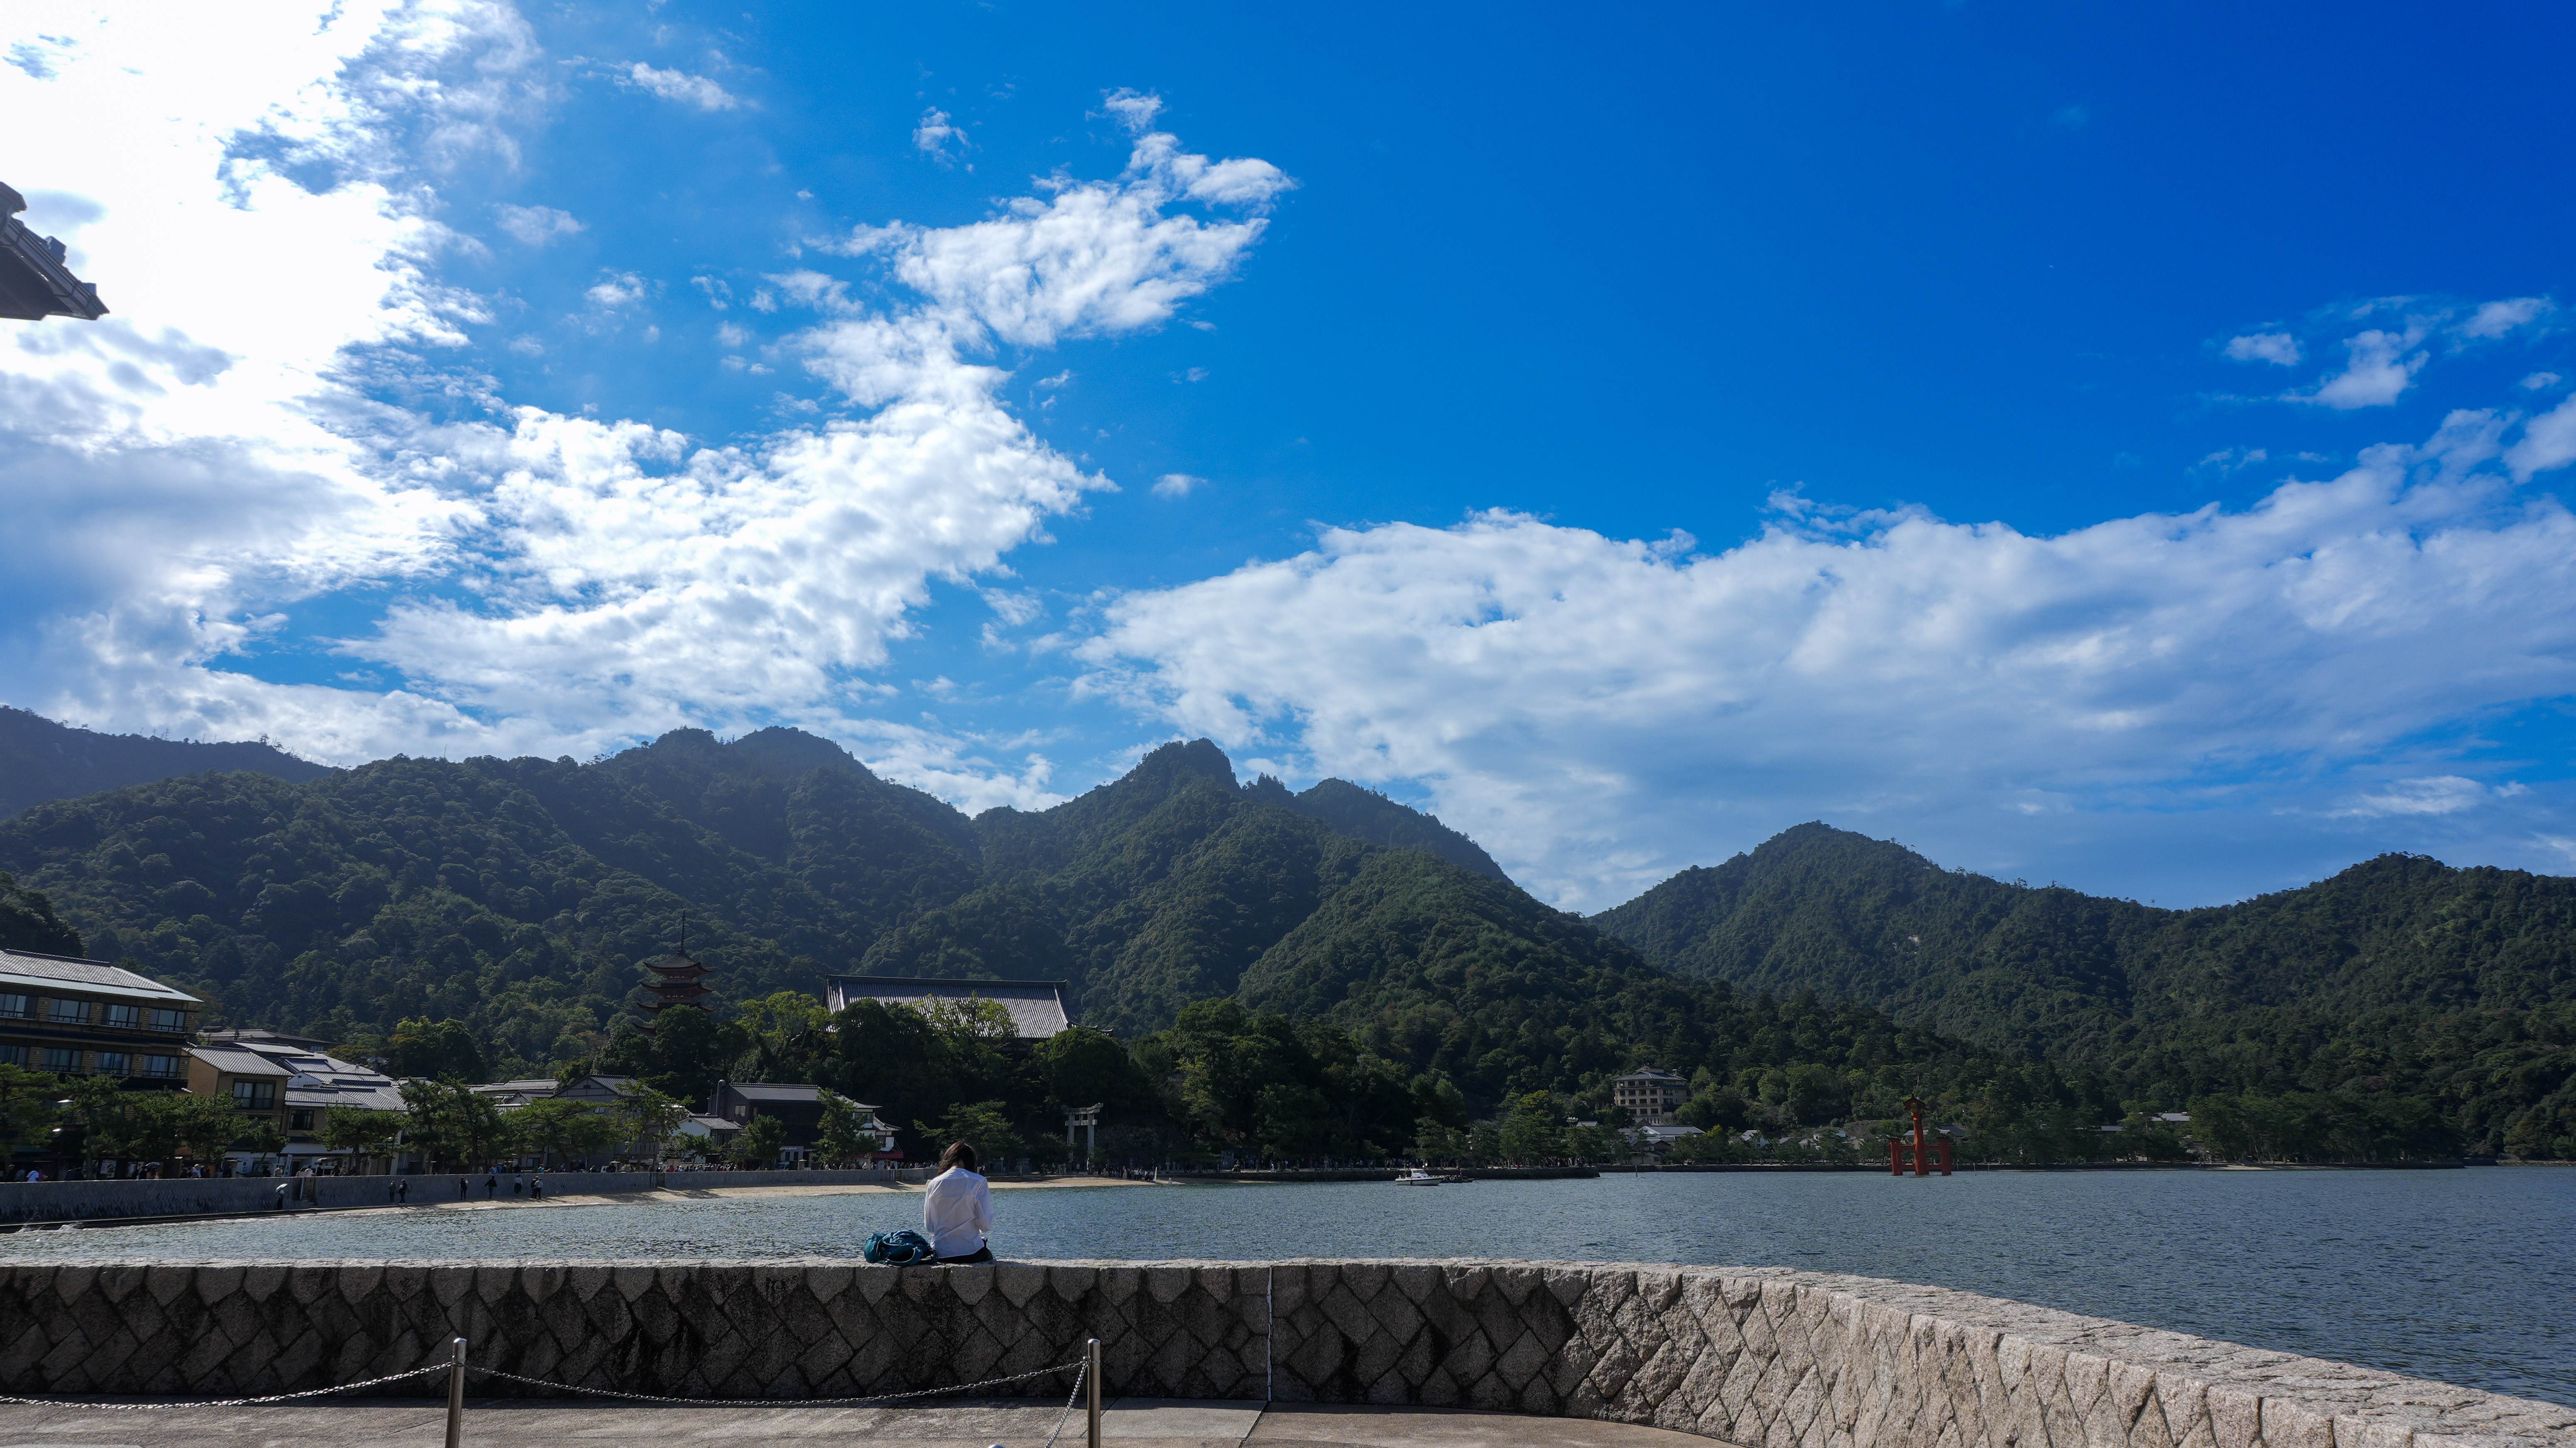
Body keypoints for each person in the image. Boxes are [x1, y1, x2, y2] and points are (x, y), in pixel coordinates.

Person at [921, 1142, 994, 1264]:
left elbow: (930, 1227)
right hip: (971, 1252)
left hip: (940, 1253)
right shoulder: (979, 1182)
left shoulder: (934, 1184)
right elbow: (985, 1226)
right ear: (971, 1161)